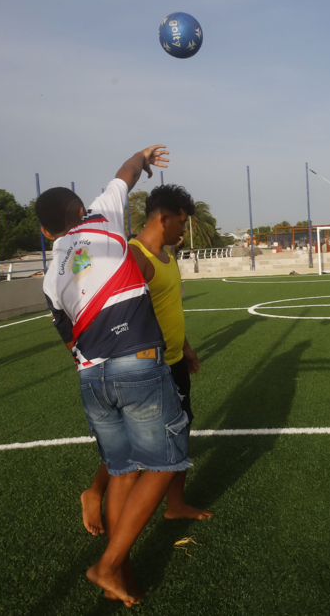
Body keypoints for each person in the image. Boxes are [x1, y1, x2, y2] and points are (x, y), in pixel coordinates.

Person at [36, 145, 188, 607]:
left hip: (90, 376)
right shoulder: (101, 219)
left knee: (122, 474)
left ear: (45, 231)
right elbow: (124, 173)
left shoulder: (49, 275)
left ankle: (118, 575)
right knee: (164, 465)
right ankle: (106, 564)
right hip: (136, 363)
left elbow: (68, 340)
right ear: (81, 210)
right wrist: (141, 156)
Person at [120, 185, 211, 522]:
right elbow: (125, 320)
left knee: (182, 429)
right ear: (164, 218)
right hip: (148, 368)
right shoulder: (135, 258)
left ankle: (175, 505)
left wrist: (185, 348)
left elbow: (170, 309)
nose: (183, 230)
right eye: (182, 222)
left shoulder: (167, 257)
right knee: (138, 448)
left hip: (174, 362)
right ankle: (98, 493)